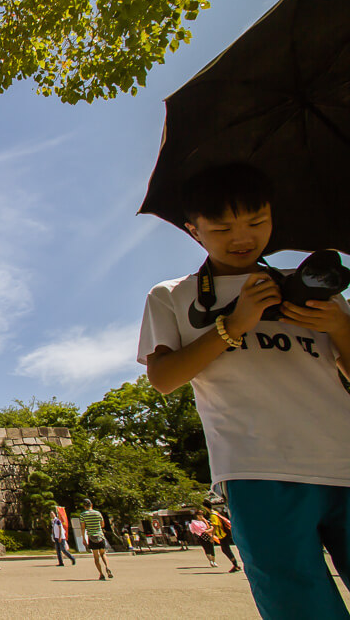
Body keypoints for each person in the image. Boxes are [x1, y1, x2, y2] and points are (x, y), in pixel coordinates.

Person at [138, 163, 350, 618]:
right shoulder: (175, 295)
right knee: (297, 599)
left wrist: (342, 328)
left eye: (256, 222)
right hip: (258, 466)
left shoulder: (313, 287)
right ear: (194, 231)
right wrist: (232, 326)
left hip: (344, 456)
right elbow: (164, 378)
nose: (242, 237)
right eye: (222, 227)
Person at [79, 498, 112, 581]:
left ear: (84, 506)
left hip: (91, 537)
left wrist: (84, 538)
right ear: (91, 505)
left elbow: (83, 527)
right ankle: (107, 567)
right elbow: (103, 524)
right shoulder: (98, 513)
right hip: (100, 536)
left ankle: (101, 574)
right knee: (103, 553)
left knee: (96, 557)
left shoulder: (83, 515)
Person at [203, 502, 241, 573]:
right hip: (223, 534)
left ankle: (236, 565)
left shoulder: (213, 515)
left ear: (205, 507)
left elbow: (215, 526)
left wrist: (212, 536)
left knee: (226, 550)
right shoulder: (215, 512)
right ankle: (235, 565)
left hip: (222, 534)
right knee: (226, 550)